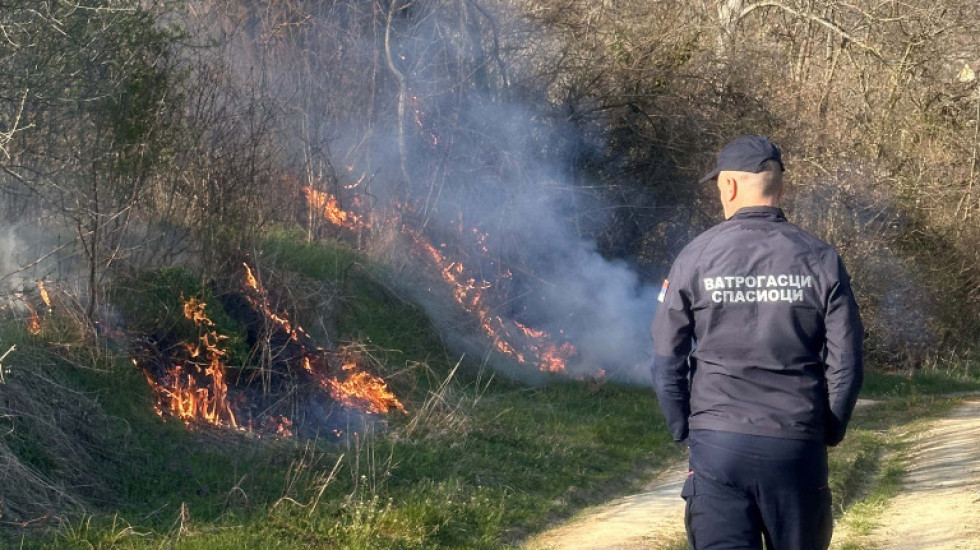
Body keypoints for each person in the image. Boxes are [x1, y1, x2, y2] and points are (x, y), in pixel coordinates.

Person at [650, 135, 864, 550]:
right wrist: (828, 429)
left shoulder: (695, 256)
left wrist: (686, 429)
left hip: (718, 447)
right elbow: (847, 360)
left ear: (729, 186)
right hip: (796, 447)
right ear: (779, 188)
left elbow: (666, 358)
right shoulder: (821, 259)